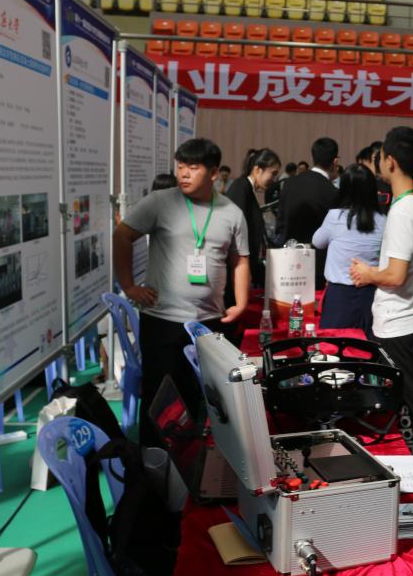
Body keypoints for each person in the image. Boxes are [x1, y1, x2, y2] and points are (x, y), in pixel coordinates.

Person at [113, 137, 251, 446]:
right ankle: (154, 461)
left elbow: (240, 259)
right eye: (180, 166)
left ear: (213, 173)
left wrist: (241, 303)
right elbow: (122, 236)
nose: (184, 174)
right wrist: (129, 287)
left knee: (200, 397)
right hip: (163, 319)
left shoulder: (231, 213)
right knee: (159, 397)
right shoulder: (160, 202)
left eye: (193, 167)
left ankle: (189, 459)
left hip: (209, 321)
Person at [350, 126, 413, 453]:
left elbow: (396, 276)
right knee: (409, 402)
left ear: (389, 161)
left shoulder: (403, 212)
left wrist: (367, 273)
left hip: (398, 325)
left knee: (403, 410)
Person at [312, 163, 385, 333]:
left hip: (339, 297)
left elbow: (317, 242)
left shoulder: (335, 216)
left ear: (344, 189)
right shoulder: (383, 219)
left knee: (334, 345)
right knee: (366, 346)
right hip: (371, 294)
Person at [276, 138, 341, 288]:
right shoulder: (332, 192)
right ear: (335, 161)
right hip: (318, 267)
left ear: (312, 157)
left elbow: (281, 222)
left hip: (288, 261)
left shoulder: (290, 183)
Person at [226, 148, 280, 287]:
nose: (274, 179)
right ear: (257, 170)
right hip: (237, 267)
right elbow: (235, 231)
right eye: (273, 173)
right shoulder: (241, 187)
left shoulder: (247, 188)